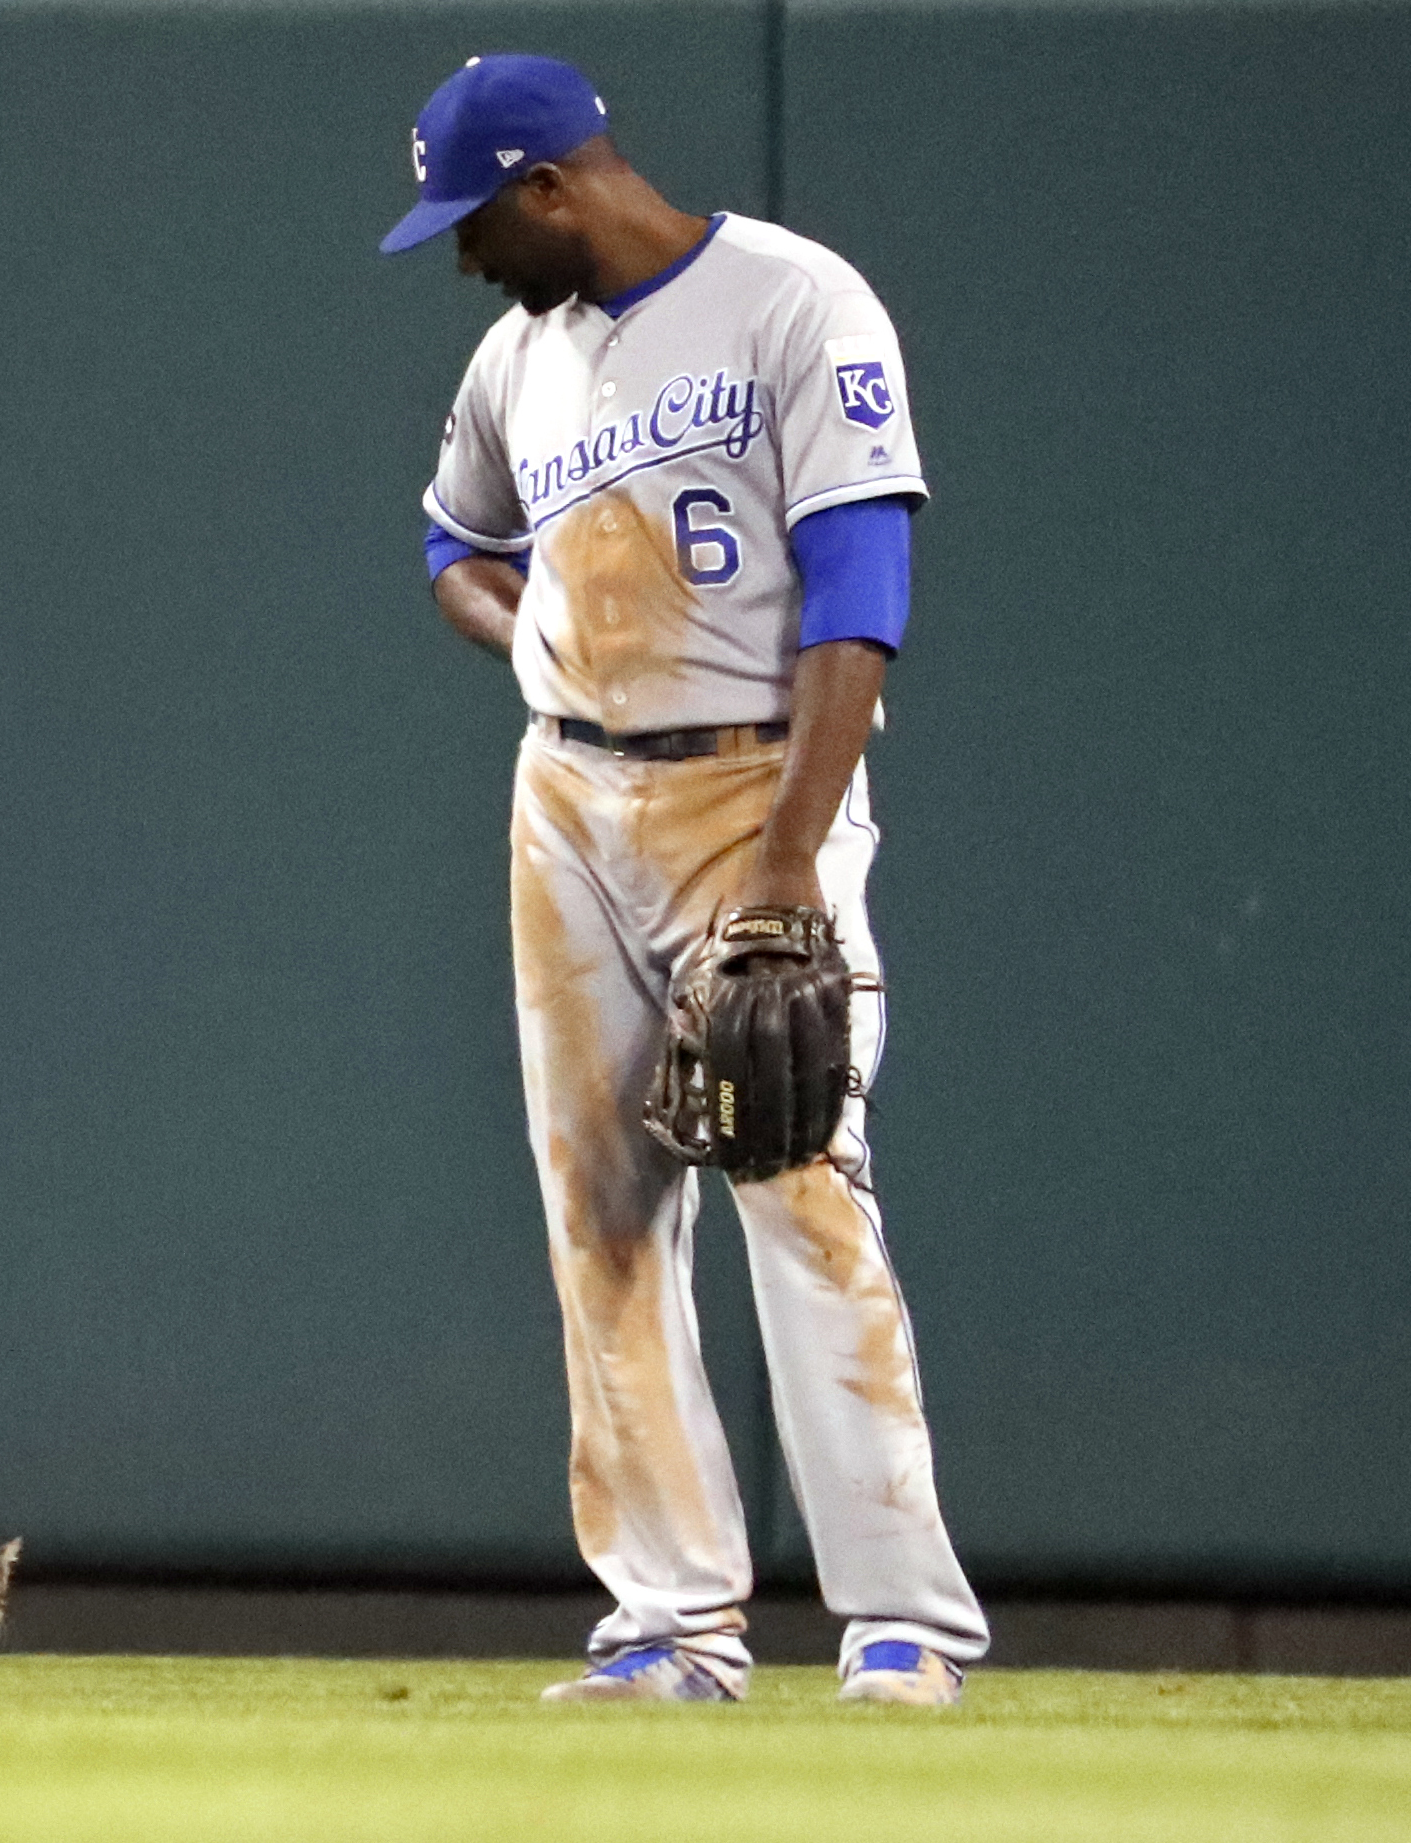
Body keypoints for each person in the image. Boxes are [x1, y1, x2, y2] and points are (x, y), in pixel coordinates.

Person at [380, 54, 988, 1706]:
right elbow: (455, 545)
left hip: (752, 784)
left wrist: (792, 860)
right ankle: (669, 1624)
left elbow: (860, 587)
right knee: (602, 1207)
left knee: (797, 1173)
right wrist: (537, 647)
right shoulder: (517, 362)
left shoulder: (796, 302)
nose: (461, 254)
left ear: (553, 184)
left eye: (473, 218)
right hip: (568, 794)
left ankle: (901, 1624)